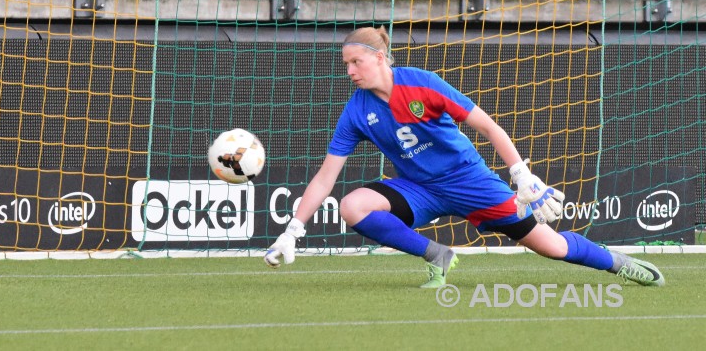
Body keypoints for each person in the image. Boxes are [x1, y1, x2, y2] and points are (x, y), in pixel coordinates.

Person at [264, 26, 665, 288]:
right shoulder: (356, 111)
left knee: (551, 247)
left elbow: (489, 127)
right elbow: (325, 177)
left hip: (470, 181)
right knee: (353, 207)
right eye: (346, 64)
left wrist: (521, 175)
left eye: (357, 62)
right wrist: (293, 229)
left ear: (381, 57)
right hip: (419, 189)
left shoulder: (423, 84)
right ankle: (437, 255)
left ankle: (616, 263)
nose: (350, 70)